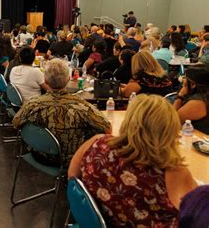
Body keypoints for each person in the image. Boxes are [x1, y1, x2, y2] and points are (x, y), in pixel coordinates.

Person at [68, 94, 197, 227]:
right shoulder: (174, 173)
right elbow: (201, 214)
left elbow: (72, 179)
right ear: (169, 131)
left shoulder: (96, 143)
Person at [12, 58, 110, 167]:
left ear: (46, 80)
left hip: (39, 154)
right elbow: (107, 128)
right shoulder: (82, 106)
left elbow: (16, 123)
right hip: (70, 161)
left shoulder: (32, 104)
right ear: (68, 79)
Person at [173, 66, 209, 133]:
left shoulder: (198, 102)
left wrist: (180, 96)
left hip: (198, 139)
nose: (182, 79)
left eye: (185, 78)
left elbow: (172, 121)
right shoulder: (204, 94)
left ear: (192, 84)